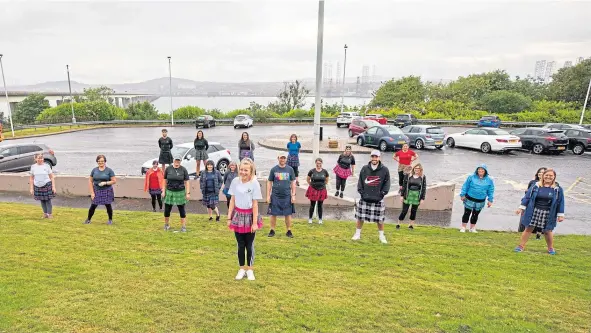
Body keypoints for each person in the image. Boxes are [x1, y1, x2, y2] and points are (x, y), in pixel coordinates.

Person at [227, 158, 263, 281]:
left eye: (246, 170)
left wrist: (254, 223)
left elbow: (255, 204)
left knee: (249, 245)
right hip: (238, 216)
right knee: (240, 244)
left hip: (250, 216)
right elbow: (232, 200)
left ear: (251, 170)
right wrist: (229, 217)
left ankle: (250, 270)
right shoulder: (235, 182)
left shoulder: (254, 183)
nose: (243, 172)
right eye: (241, 169)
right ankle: (242, 268)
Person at [515, 169, 565, 255]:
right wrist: (521, 208)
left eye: (550, 176)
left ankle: (550, 248)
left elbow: (561, 202)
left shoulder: (558, 189)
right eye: (546, 175)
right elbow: (527, 197)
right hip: (534, 211)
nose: (548, 177)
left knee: (547, 231)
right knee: (528, 229)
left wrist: (560, 215)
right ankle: (521, 246)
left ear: (554, 177)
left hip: (549, 213)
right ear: (543, 176)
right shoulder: (536, 186)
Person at [352, 150, 391, 243]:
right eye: (373, 156)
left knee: (380, 220)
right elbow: (360, 182)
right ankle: (357, 234)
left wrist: (382, 194)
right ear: (370, 157)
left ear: (379, 158)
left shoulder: (384, 169)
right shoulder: (365, 168)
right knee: (360, 218)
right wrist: (362, 193)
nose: (374, 158)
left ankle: (381, 236)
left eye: (376, 157)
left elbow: (387, 183)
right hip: (365, 198)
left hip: (378, 199)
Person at [267, 151, 296, 238]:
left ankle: (289, 230)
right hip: (275, 195)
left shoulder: (290, 169)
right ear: (278, 158)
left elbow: (293, 182)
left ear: (286, 159)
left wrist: (293, 195)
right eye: (281, 158)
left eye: (284, 158)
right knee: (273, 213)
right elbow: (269, 182)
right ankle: (272, 230)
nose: (282, 159)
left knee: (288, 214)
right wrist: (268, 195)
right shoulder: (274, 169)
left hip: (287, 195)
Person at [459, 164, 495, 233]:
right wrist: (462, 195)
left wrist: (490, 200)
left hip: (480, 201)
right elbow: (465, 186)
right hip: (469, 198)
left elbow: (491, 190)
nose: (480, 170)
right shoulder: (471, 177)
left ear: (485, 171)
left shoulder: (489, 180)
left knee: (475, 214)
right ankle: (463, 227)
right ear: (477, 170)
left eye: (482, 169)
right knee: (467, 213)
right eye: (479, 169)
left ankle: (472, 228)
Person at [84, 155, 117, 225]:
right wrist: (92, 193)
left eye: (102, 161)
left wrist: (105, 183)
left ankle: (110, 220)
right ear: (97, 162)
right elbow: (90, 181)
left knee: (108, 205)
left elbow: (114, 181)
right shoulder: (94, 170)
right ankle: (88, 219)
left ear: (105, 161)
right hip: (97, 190)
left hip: (107, 190)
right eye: (99, 161)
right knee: (93, 205)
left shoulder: (109, 170)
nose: (100, 162)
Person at [163, 155, 191, 232]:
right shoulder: (168, 169)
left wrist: (188, 193)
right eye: (176, 161)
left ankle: (183, 226)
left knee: (182, 209)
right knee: (167, 209)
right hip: (169, 191)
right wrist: (163, 191)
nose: (177, 162)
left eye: (178, 161)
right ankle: (166, 225)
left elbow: (187, 182)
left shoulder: (183, 170)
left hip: (180, 192)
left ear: (180, 161)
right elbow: (164, 180)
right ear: (173, 160)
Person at [519, 167, 547, 238]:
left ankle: (538, 235)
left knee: (540, 221)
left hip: (541, 206)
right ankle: (522, 232)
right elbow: (527, 194)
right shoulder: (533, 182)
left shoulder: (549, 184)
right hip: (529, 204)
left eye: (543, 172)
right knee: (525, 220)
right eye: (539, 172)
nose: (540, 174)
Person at [398, 163, 427, 230]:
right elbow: (404, 186)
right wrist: (402, 195)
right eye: (415, 168)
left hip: (417, 196)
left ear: (420, 170)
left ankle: (411, 225)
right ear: (413, 169)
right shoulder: (408, 176)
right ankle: (398, 223)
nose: (416, 170)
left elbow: (424, 188)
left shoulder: (423, 177)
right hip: (408, 195)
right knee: (404, 211)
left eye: (418, 169)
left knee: (414, 211)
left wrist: (422, 198)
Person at [29, 153, 56, 218]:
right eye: (39, 158)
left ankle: (50, 214)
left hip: (47, 184)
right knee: (42, 200)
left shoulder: (47, 166)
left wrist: (53, 187)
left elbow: (51, 177)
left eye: (41, 158)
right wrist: (31, 188)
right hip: (37, 185)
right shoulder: (33, 167)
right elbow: (31, 178)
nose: (40, 159)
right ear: (35, 159)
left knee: (47, 200)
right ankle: (45, 214)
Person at [306, 158, 329, 224]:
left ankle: (320, 219)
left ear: (322, 163)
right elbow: (308, 179)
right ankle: (310, 218)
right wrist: (311, 185)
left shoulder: (325, 171)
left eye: (320, 163)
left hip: (322, 190)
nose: (318, 164)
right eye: (317, 163)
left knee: (320, 205)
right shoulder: (312, 171)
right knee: (312, 205)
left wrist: (323, 185)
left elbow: (327, 180)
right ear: (315, 163)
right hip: (313, 190)